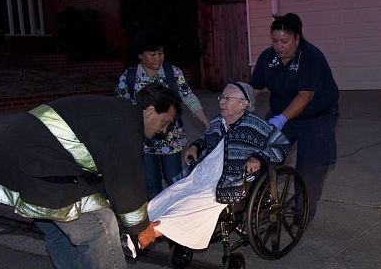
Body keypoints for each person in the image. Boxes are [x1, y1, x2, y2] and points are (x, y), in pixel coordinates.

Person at [0, 83, 178, 269]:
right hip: (36, 164)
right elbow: (126, 183)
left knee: (59, 229)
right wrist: (140, 227)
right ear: (149, 111)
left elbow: (101, 177)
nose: (163, 131)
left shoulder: (116, 113)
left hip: (17, 158)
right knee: (100, 224)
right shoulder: (126, 126)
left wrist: (127, 216)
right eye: (164, 122)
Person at [145, 82, 290, 249]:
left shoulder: (256, 125)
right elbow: (207, 139)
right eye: (222, 97)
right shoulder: (217, 121)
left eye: (228, 98)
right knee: (173, 193)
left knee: (194, 203)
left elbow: (282, 145)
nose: (221, 101)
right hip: (203, 174)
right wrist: (195, 146)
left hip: (228, 180)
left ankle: (156, 231)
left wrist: (259, 158)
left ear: (244, 104)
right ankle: (147, 224)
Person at [249, 13, 339, 222]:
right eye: (274, 41)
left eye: (284, 41)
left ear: (297, 39)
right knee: (263, 155)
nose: (279, 46)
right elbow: (254, 89)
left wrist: (281, 119)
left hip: (317, 118)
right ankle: (261, 203)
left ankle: (302, 213)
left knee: (310, 169)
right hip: (281, 113)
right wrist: (239, 103)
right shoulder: (267, 58)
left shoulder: (311, 57)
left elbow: (305, 96)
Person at [115, 30, 209, 198]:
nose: (158, 58)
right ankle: (157, 216)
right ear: (140, 55)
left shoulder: (173, 73)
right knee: (151, 184)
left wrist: (206, 123)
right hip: (144, 141)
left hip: (170, 137)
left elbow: (189, 97)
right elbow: (121, 109)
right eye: (152, 54)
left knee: (175, 181)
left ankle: (176, 213)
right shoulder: (128, 77)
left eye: (161, 53)